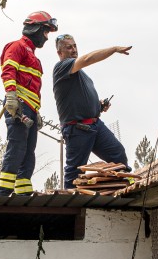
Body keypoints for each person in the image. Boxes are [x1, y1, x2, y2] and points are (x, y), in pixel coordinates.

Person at [52, 34, 132, 189]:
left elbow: (81, 99)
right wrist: (114, 49)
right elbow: (87, 59)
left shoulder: (82, 76)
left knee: (118, 155)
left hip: (95, 125)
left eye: (75, 46)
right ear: (60, 53)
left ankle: (118, 190)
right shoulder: (61, 68)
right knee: (75, 172)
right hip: (78, 129)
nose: (74, 49)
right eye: (69, 47)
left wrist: (99, 105)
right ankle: (68, 208)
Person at [0, 11, 58, 195]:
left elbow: (33, 89)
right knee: (17, 146)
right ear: (36, 28)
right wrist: (12, 97)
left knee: (28, 151)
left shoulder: (34, 57)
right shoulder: (17, 47)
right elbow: (8, 71)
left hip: (30, 108)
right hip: (18, 106)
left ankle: (23, 191)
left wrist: (36, 111)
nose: (46, 37)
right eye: (46, 32)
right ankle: (3, 192)